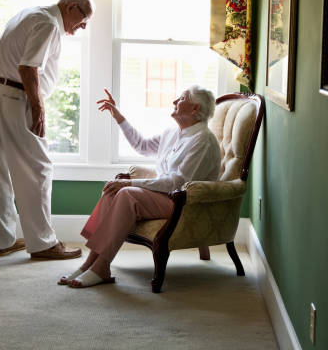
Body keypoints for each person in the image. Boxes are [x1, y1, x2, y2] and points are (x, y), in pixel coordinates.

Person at [59, 85, 221, 288]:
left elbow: (177, 183)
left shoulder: (202, 140)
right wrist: (118, 116)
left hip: (185, 202)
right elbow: (142, 146)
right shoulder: (173, 132)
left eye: (180, 99)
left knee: (127, 193)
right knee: (113, 191)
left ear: (195, 108)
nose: (174, 102)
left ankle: (102, 266)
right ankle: (90, 264)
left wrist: (130, 182)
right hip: (165, 196)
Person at [0, 0, 93, 259]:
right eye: (82, 20)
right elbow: (28, 68)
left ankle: (3, 240)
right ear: (71, 6)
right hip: (15, 97)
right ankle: (44, 243)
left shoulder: (31, 12)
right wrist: (38, 107)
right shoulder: (48, 23)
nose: (81, 28)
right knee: (38, 169)